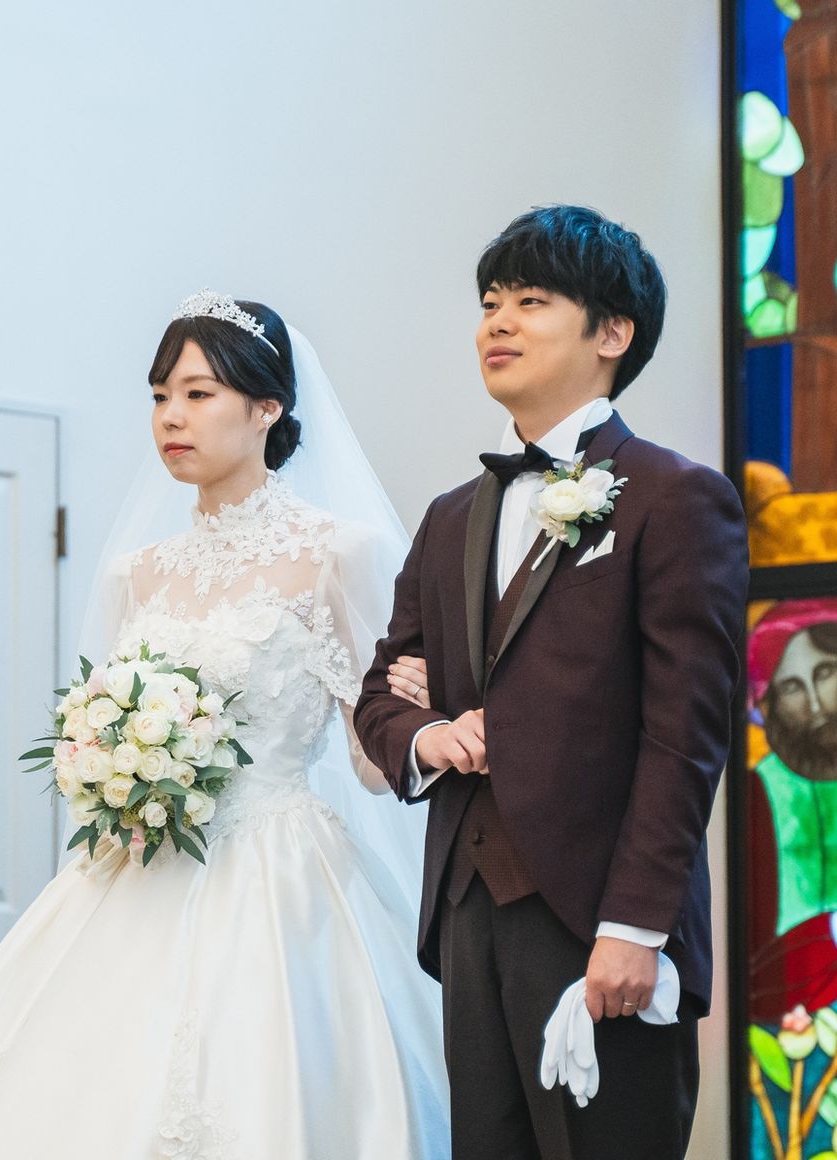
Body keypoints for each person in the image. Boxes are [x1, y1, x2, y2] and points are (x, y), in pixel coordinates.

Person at [0, 291, 450, 1160]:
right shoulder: (135, 574)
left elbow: (374, 762)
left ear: (267, 407)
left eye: (198, 393)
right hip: (136, 865)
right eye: (159, 396)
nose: (171, 417)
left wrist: (418, 713)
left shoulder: (340, 553)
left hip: (277, 873)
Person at [354, 205, 749, 1160]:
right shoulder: (451, 517)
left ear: (611, 333)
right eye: (490, 301)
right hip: (466, 917)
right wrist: (427, 733)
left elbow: (685, 735)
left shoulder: (674, 498)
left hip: (600, 923)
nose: (498, 321)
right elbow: (379, 695)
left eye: (531, 301)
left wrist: (635, 926)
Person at [748, 599, 837, 1021]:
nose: (816, 706)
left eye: (825, 673)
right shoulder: (757, 792)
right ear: (769, 707)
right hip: (790, 1008)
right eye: (791, 687)